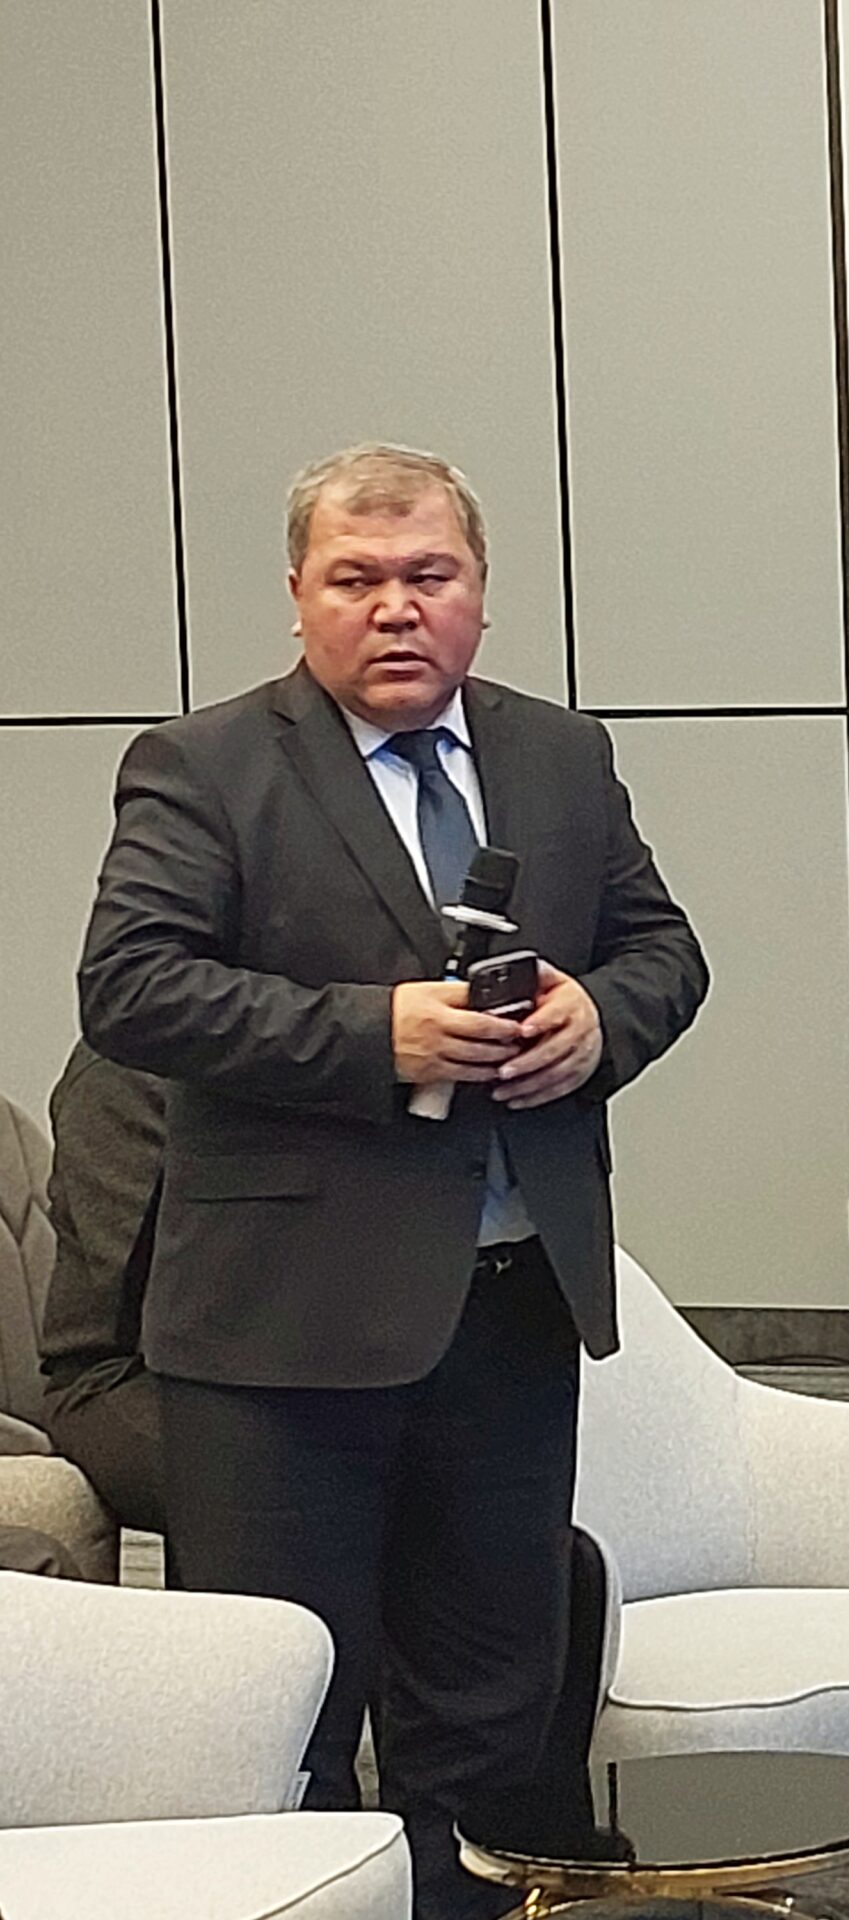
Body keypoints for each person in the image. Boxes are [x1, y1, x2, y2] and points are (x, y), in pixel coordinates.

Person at [80, 442, 708, 1920]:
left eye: (429, 575)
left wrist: (599, 1021)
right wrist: (379, 1036)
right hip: (281, 1335)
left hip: (509, 1310)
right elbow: (131, 988)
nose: (395, 607)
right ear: (299, 597)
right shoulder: (205, 765)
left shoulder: (561, 754)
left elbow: (664, 948)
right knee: (283, 1712)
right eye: (355, 579)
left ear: (479, 591)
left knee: (493, 1708)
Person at [37, 1041, 168, 1535]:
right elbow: (159, 1297)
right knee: (303, 1482)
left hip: (278, 1366)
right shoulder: (121, 1069)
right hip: (117, 1376)